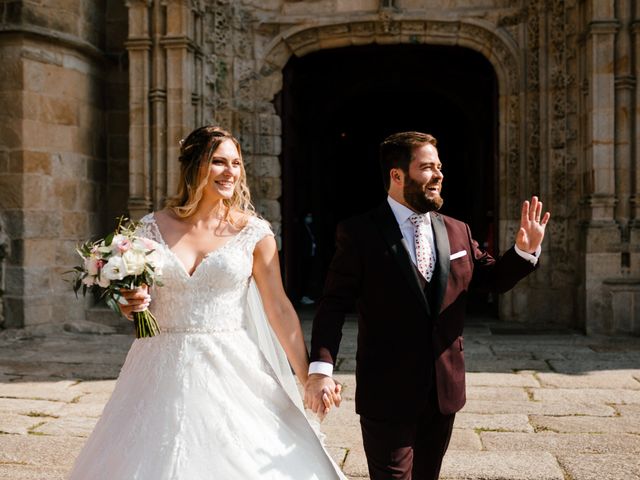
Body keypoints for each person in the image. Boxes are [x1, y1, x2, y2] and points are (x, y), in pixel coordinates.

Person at [69, 126, 345, 479]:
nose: (230, 172)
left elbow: (278, 307)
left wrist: (308, 375)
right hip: (157, 362)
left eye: (236, 163)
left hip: (231, 362)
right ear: (194, 167)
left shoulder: (254, 233)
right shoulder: (150, 228)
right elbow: (135, 300)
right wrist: (130, 304)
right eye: (218, 162)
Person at [304, 131, 550, 480]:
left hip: (443, 390)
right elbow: (332, 305)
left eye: (439, 167)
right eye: (427, 168)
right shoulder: (359, 233)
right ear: (397, 175)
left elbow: (489, 279)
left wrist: (524, 252)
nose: (438, 175)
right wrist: (321, 370)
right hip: (386, 392)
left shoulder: (457, 229)